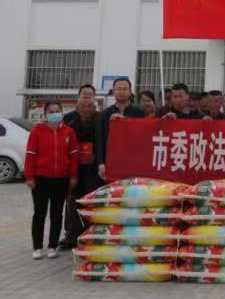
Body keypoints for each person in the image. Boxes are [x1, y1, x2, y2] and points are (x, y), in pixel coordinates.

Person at [25, 100, 78, 260]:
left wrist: (73, 176)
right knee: (39, 214)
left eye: (57, 111)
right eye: (51, 112)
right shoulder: (37, 131)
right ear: (45, 114)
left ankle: (52, 246)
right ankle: (37, 247)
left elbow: (73, 156)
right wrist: (29, 176)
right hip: (41, 179)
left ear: (61, 112)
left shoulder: (69, 132)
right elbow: (30, 155)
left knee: (57, 214)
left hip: (61, 180)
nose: (55, 114)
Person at [61, 97, 102, 250]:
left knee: (93, 203)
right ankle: (72, 236)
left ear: (95, 108)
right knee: (73, 204)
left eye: (90, 106)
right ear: (78, 108)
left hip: (94, 171)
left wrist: (97, 157)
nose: (87, 109)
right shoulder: (70, 125)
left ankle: (92, 235)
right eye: (83, 106)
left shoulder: (101, 123)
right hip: (75, 170)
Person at [96, 78, 144, 181]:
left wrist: (125, 122)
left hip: (133, 161)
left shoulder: (140, 112)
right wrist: (100, 163)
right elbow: (100, 140)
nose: (121, 91)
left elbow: (143, 136)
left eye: (125, 88)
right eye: (118, 88)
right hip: (111, 161)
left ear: (130, 92)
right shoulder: (105, 114)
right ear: (113, 91)